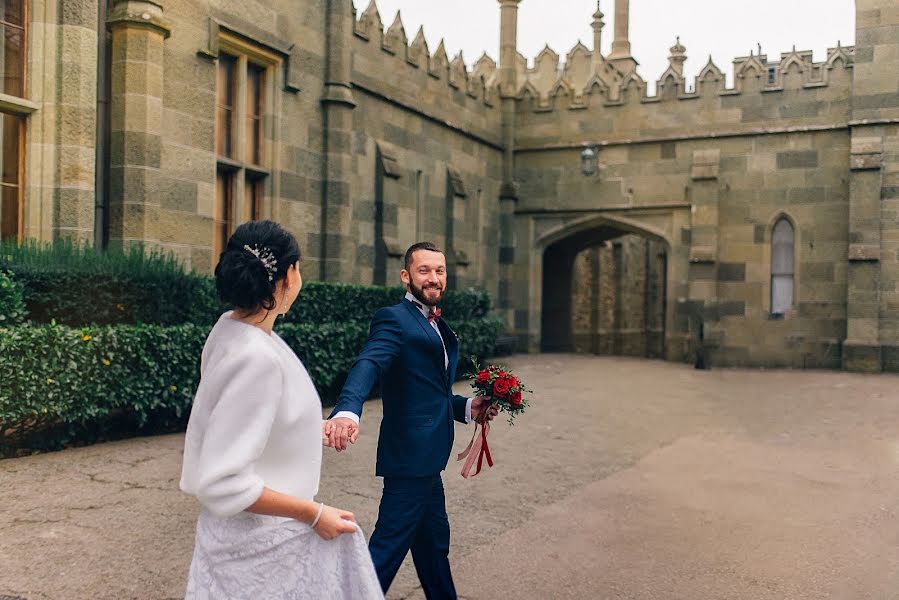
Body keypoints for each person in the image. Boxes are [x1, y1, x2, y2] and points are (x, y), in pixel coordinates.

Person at [179, 220, 383, 599]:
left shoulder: (230, 329)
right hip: (258, 549)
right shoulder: (255, 357)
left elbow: (239, 418)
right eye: (299, 268)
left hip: (239, 541)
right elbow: (223, 480)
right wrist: (315, 514)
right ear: (287, 277)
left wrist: (307, 429)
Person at [324, 241, 498, 599]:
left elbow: (430, 393)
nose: (433, 278)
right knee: (385, 554)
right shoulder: (395, 319)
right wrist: (347, 409)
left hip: (427, 461)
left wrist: (468, 408)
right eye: (424, 270)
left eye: (440, 270)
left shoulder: (434, 322)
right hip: (410, 461)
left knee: (434, 549)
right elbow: (368, 362)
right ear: (406, 276)